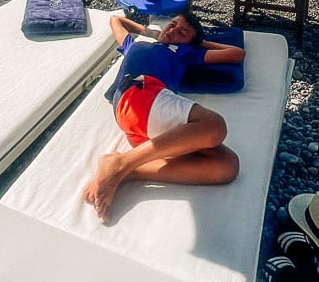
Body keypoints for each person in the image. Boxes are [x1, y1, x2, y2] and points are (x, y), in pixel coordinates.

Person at [82, 11, 245, 224]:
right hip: (138, 93)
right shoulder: (135, 45)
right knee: (215, 126)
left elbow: (237, 53)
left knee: (227, 166)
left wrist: (200, 43)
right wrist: (149, 32)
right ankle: (122, 163)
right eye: (172, 25)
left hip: (145, 111)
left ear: (190, 43)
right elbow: (116, 20)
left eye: (182, 32)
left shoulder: (183, 51)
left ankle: (129, 169)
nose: (173, 30)